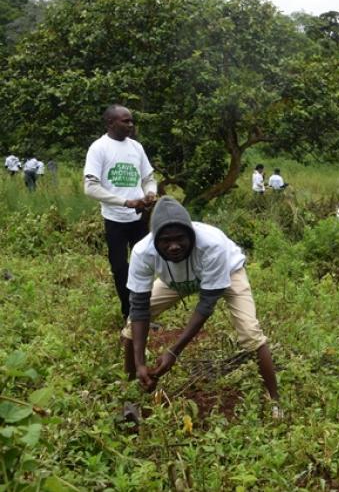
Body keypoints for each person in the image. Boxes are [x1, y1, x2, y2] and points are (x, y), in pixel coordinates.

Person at [121, 197, 281, 417]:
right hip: (176, 281)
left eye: (180, 239)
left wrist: (173, 352)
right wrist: (141, 362)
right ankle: (132, 398)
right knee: (131, 326)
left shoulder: (212, 244)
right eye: (166, 241)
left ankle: (275, 403)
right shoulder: (142, 252)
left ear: (192, 235)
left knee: (250, 333)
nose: (174, 246)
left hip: (227, 272)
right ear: (155, 241)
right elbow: (139, 306)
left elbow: (206, 304)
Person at [84, 104, 157, 321]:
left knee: (144, 265)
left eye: (131, 120)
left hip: (139, 219)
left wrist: (150, 193)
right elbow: (91, 187)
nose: (130, 125)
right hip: (115, 220)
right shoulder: (99, 148)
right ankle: (129, 313)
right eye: (125, 121)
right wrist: (126, 202)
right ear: (110, 123)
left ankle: (144, 313)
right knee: (120, 267)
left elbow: (148, 178)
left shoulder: (136, 147)